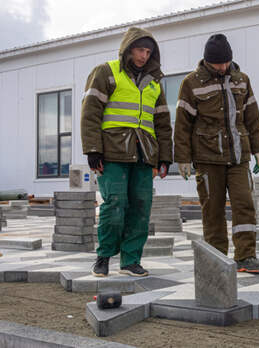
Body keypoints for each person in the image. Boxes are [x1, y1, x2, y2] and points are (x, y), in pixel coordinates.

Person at [81, 27, 173, 277]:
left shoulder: (154, 81)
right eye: (140, 49)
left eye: (148, 51)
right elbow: (90, 112)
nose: (144, 55)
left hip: (145, 155)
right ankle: (103, 257)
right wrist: (92, 150)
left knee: (141, 208)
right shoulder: (106, 72)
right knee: (114, 205)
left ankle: (131, 260)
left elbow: (163, 122)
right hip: (112, 154)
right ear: (128, 48)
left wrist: (165, 157)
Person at [174, 34, 259, 272]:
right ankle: (217, 259)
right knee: (213, 209)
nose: (223, 67)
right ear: (207, 61)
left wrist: (258, 148)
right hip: (207, 158)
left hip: (239, 157)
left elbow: (252, 117)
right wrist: (183, 158)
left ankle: (246, 256)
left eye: (226, 62)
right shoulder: (191, 83)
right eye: (218, 64)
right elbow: (182, 124)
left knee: (244, 204)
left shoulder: (242, 80)